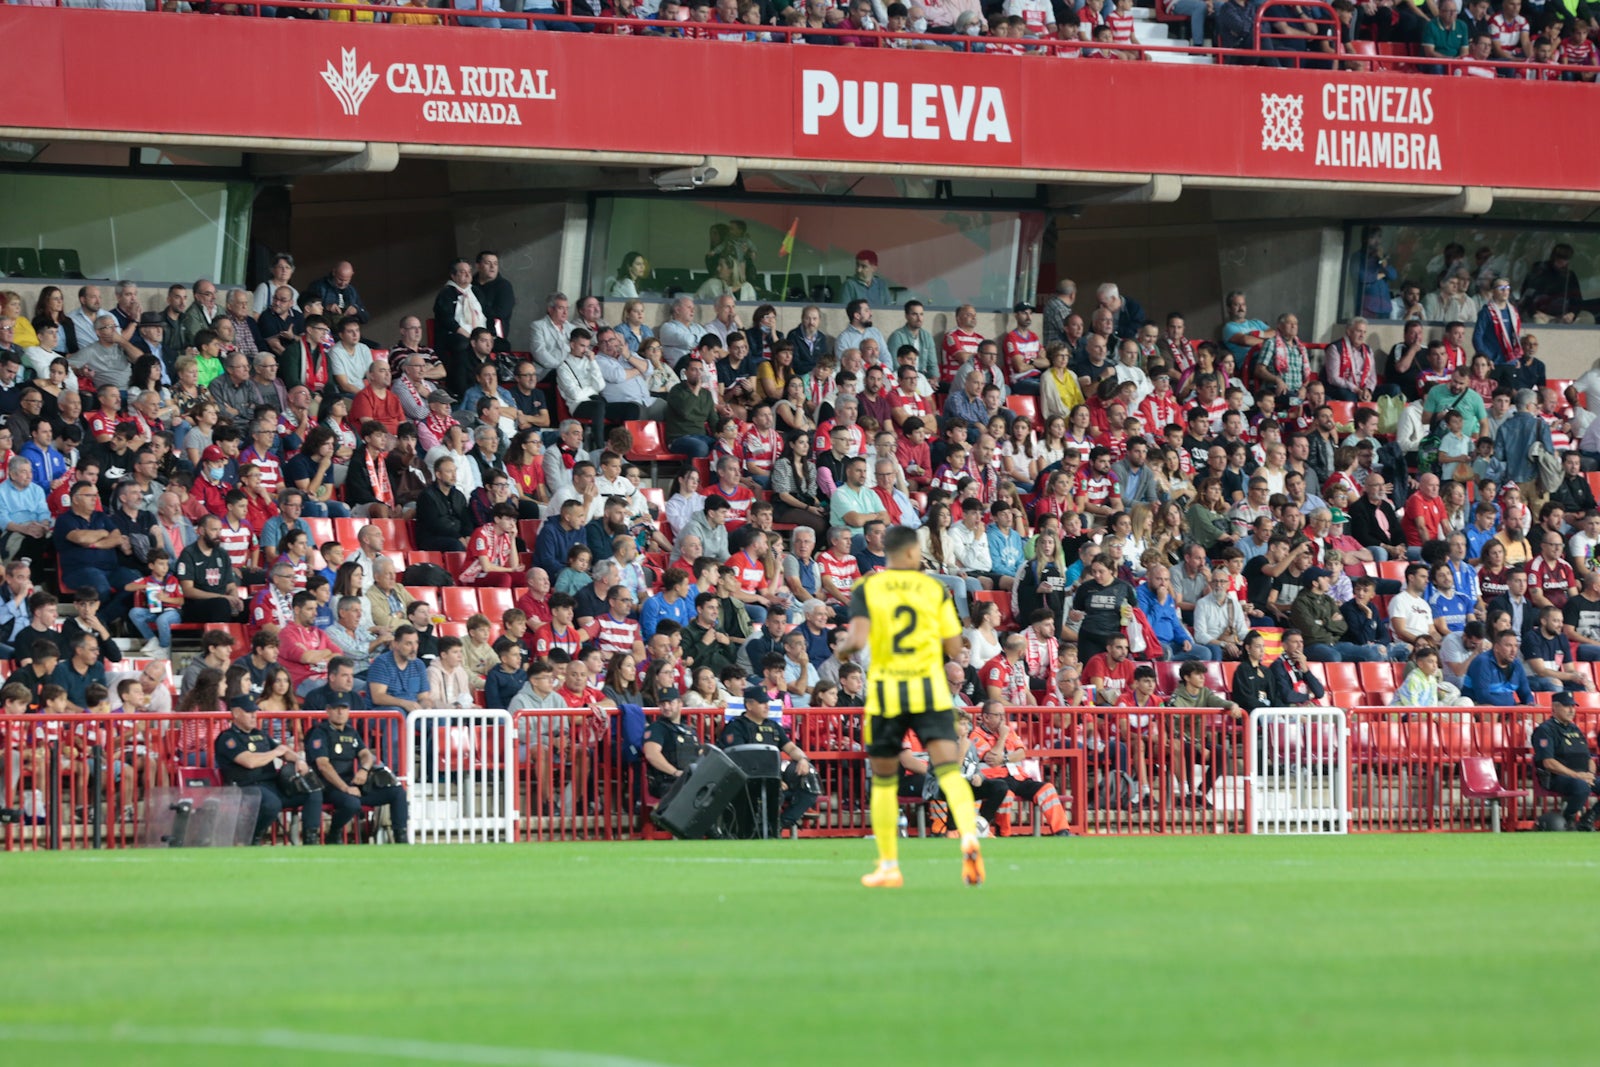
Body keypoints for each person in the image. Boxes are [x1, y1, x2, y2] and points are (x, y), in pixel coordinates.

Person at [835, 524, 982, 888]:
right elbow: (953, 646)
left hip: (889, 692)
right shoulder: (934, 589)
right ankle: (969, 845)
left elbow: (855, 641)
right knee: (950, 772)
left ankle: (889, 866)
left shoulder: (867, 587)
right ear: (915, 554)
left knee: (884, 782)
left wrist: (843, 650)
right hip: (929, 691)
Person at [213, 701, 324, 846]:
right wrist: (275, 753)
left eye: (255, 712)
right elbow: (249, 762)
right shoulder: (228, 738)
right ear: (235, 714)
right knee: (272, 804)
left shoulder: (260, 734)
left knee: (313, 791)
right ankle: (252, 838)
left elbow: (284, 751)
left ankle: (311, 841)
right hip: (246, 787)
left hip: (272, 785)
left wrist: (299, 759)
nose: (254, 716)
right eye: (249, 712)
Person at [306, 700, 410, 844]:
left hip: (352, 786)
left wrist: (364, 769)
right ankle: (334, 833)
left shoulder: (351, 732)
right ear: (328, 711)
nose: (340, 712)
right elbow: (323, 765)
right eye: (336, 708)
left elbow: (366, 755)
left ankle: (401, 838)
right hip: (330, 787)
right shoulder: (320, 732)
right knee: (352, 804)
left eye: (344, 708)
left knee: (397, 791)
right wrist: (345, 788)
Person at [1533, 691, 1598, 830]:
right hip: (1556, 777)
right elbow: (1548, 762)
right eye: (1567, 706)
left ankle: (1588, 819)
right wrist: (1577, 775)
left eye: (1573, 706)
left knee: (1584, 783)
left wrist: (1590, 774)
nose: (1571, 710)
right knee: (1581, 787)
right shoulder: (1545, 730)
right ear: (1555, 708)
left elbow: (1588, 758)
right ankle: (1567, 820)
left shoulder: (1575, 729)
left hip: (1583, 776)